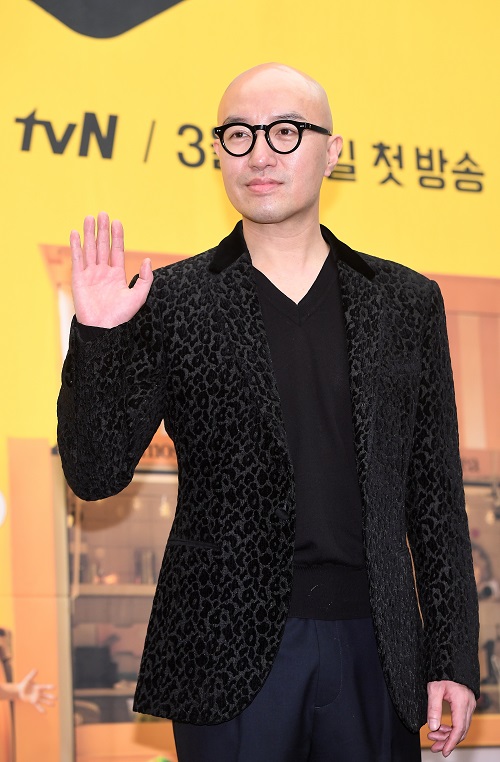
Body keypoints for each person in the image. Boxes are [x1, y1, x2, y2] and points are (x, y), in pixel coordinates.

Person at [57, 63, 479, 761]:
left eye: (285, 132)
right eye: (239, 134)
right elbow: (94, 473)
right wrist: (100, 337)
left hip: (377, 647)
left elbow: (434, 495)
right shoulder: (174, 300)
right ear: (218, 151)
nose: (259, 153)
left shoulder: (404, 302)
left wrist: (454, 656)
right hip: (221, 651)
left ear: (331, 152)